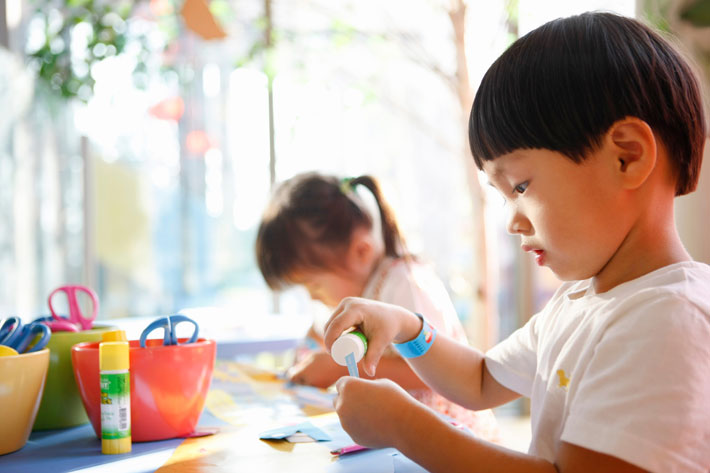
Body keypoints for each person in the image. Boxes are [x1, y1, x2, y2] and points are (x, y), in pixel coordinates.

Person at [323, 12, 710, 473]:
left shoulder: (667, 318)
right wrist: (408, 327)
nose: (513, 222)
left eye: (520, 187)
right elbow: (482, 380)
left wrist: (406, 427)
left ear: (627, 156)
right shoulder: (581, 300)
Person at [255, 171, 499, 440]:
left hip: (451, 437)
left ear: (361, 252)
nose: (312, 297)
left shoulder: (405, 284)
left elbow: (429, 374)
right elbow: (317, 336)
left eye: (314, 285)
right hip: (399, 434)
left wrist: (339, 368)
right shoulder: (349, 291)